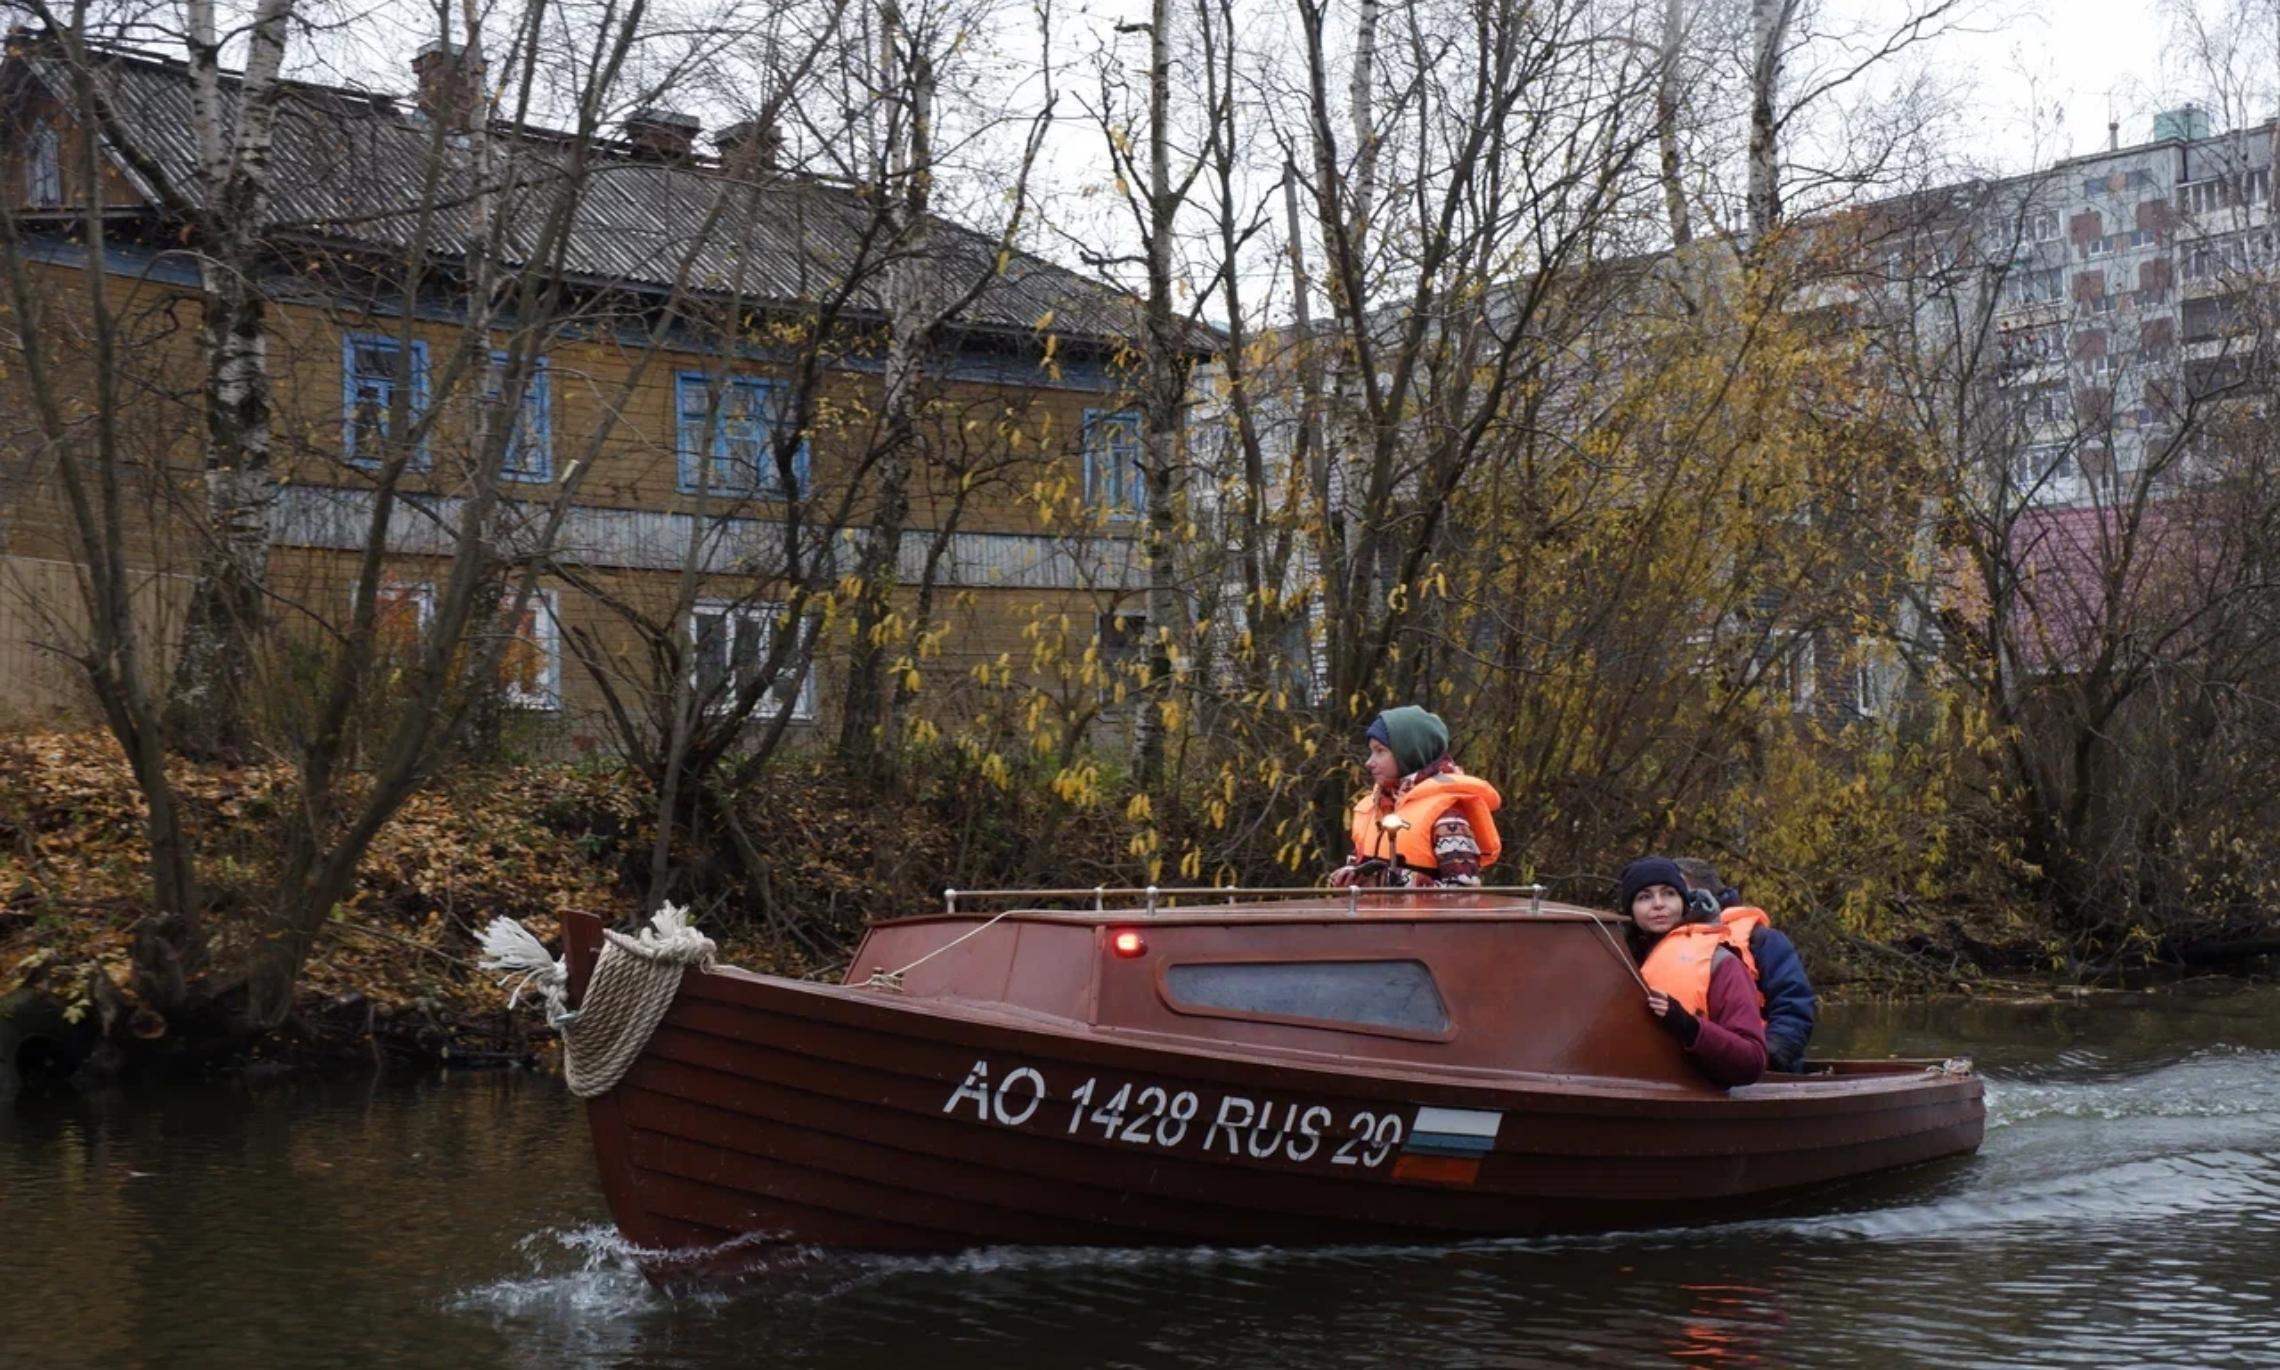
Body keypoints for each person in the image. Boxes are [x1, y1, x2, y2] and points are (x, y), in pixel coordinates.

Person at [1619, 856, 1766, 1087]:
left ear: (1683, 901)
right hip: (1627, 1086)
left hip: (1693, 1095)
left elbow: (1751, 1062)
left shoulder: (1721, 963)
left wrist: (1688, 1026)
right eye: (1644, 897)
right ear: (1630, 909)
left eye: (1668, 893)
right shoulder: (1617, 958)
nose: (1658, 904)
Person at [1327, 705, 1503, 889]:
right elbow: (1358, 862)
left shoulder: (1447, 815)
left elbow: (1463, 895)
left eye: (1380, 751)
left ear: (1408, 752)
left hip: (1417, 919)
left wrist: (1387, 881)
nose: (1369, 762)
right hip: (1373, 917)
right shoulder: (1374, 807)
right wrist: (1348, 875)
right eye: (1371, 751)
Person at [1674, 856, 1818, 1074]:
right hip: (1681, 1064)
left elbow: (1794, 1006)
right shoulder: (1658, 940)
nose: (1661, 902)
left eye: (1672, 892)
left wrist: (1769, 1058)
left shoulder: (1763, 940)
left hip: (1753, 1067)